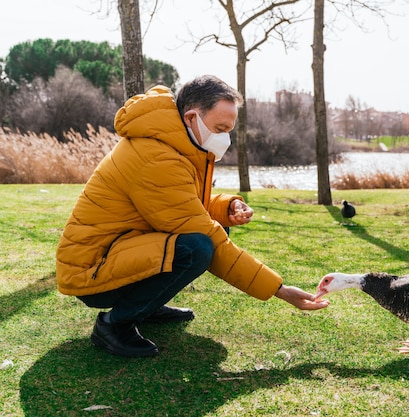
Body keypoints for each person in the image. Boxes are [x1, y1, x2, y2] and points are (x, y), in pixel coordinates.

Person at [56, 75, 329, 357]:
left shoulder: (171, 144)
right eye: (220, 128)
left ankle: (145, 305)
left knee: (205, 237)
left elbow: (179, 206)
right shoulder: (157, 157)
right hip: (92, 270)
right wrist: (280, 290)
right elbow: (189, 219)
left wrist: (226, 207)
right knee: (198, 247)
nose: (225, 138)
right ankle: (114, 325)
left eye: (229, 130)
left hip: (118, 251)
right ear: (191, 117)